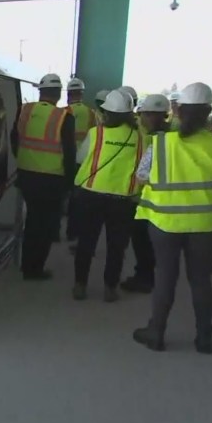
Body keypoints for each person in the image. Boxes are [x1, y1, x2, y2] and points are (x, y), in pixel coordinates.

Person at [132, 82, 212, 354]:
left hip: (166, 221)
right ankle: (204, 338)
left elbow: (142, 175)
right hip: (207, 223)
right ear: (209, 110)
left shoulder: (161, 143)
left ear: (178, 110)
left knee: (165, 275)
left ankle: (156, 332)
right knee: (200, 279)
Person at [71, 90, 143, 301]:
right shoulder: (139, 138)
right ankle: (110, 288)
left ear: (106, 113)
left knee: (86, 243)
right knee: (117, 247)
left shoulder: (97, 134)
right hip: (123, 200)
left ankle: (80, 285)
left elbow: (79, 158)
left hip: (92, 196)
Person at [10, 73, 76, 280]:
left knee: (32, 221)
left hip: (27, 176)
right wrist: (69, 183)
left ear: (40, 91)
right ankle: (35, 269)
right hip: (52, 180)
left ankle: (27, 265)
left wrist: (22, 159)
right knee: (46, 225)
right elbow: (69, 152)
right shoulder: (64, 117)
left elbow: (14, 138)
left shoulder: (25, 110)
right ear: (58, 94)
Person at [121, 94, 172, 294]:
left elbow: (142, 174)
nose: (141, 119)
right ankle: (150, 276)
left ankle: (144, 278)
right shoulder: (173, 137)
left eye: (144, 115)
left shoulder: (155, 140)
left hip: (147, 200)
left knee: (143, 242)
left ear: (153, 116)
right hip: (165, 201)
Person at [64, 78, 98, 243]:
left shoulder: (63, 111)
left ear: (69, 94)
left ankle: (55, 232)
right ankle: (73, 232)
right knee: (78, 199)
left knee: (61, 196)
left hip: (63, 159)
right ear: (82, 94)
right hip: (83, 161)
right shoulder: (92, 114)